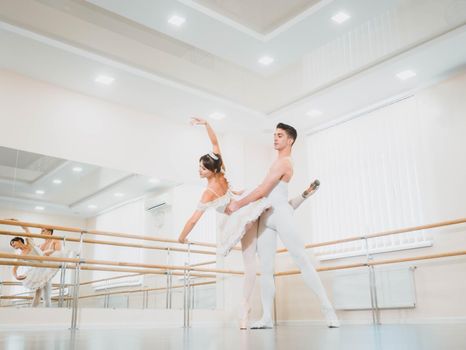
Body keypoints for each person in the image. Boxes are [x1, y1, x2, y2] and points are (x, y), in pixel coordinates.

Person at [178, 118, 322, 329]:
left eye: (202, 168)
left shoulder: (208, 192)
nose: (199, 170)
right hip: (249, 204)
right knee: (275, 215)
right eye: (199, 166)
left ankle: (244, 308)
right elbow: (215, 143)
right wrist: (206, 124)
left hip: (239, 214)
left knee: (249, 262)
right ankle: (247, 308)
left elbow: (193, 220)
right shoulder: (222, 171)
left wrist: (181, 238)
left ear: (210, 170)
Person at [226, 122, 340, 329]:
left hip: (280, 214)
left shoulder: (284, 162)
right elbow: (271, 196)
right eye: (274, 135)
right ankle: (267, 317)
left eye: (280, 135)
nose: (275, 138)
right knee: (266, 269)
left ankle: (327, 309)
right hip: (266, 217)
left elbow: (262, 191)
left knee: (302, 260)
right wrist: (304, 195)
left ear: (290, 140)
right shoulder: (276, 163)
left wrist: (237, 205)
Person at [9, 220, 62, 307]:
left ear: (19, 240)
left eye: (13, 243)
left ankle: (38, 312)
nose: (13, 246)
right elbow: (14, 269)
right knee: (39, 294)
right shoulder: (21, 255)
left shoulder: (29, 242)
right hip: (38, 270)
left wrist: (16, 221)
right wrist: (16, 276)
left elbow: (25, 228)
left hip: (45, 266)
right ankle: (34, 313)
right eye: (12, 245)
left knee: (43, 295)